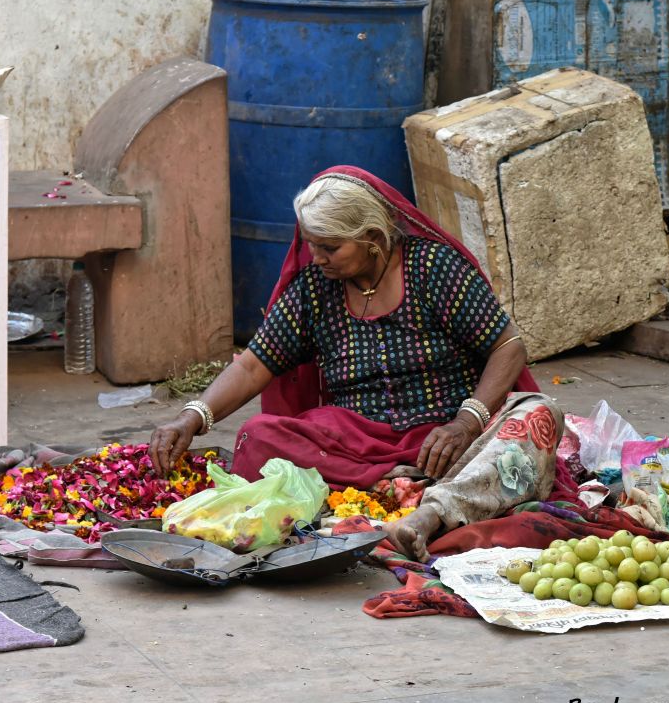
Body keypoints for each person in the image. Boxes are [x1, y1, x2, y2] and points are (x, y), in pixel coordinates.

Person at [150, 165, 564, 561]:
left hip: (444, 440)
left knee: (539, 414)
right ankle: (402, 491)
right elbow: (253, 365)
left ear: (371, 237)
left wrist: (466, 423)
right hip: (354, 445)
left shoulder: (434, 268)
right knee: (258, 436)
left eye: (330, 247)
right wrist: (191, 417)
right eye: (312, 245)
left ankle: (430, 511)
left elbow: (508, 345)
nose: (317, 258)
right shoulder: (316, 289)